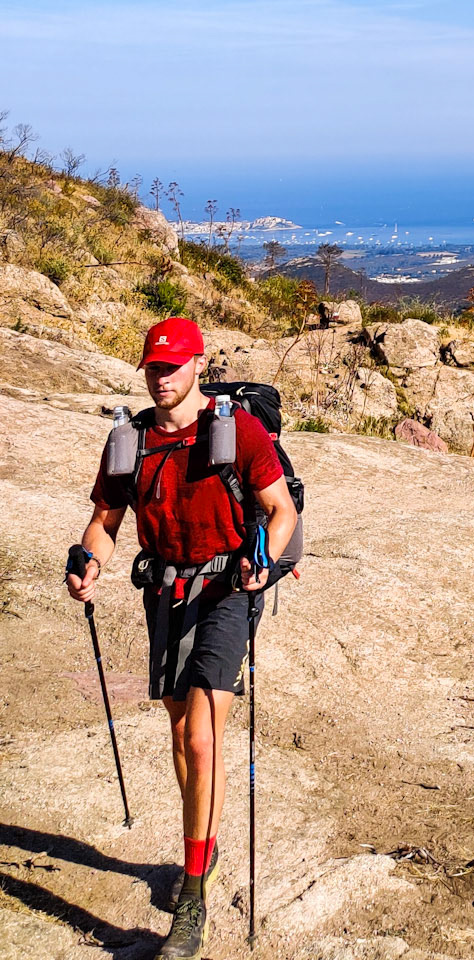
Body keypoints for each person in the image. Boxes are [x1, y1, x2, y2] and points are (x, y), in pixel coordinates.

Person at [66, 317, 297, 960]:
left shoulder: (236, 431)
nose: (161, 377)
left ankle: (192, 895)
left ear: (199, 364)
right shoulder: (129, 442)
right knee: (179, 734)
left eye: (173, 366)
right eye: (153, 367)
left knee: (202, 736)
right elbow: (104, 522)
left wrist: (264, 562)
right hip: (164, 593)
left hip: (227, 591)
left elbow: (282, 511)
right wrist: (88, 563)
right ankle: (207, 836)